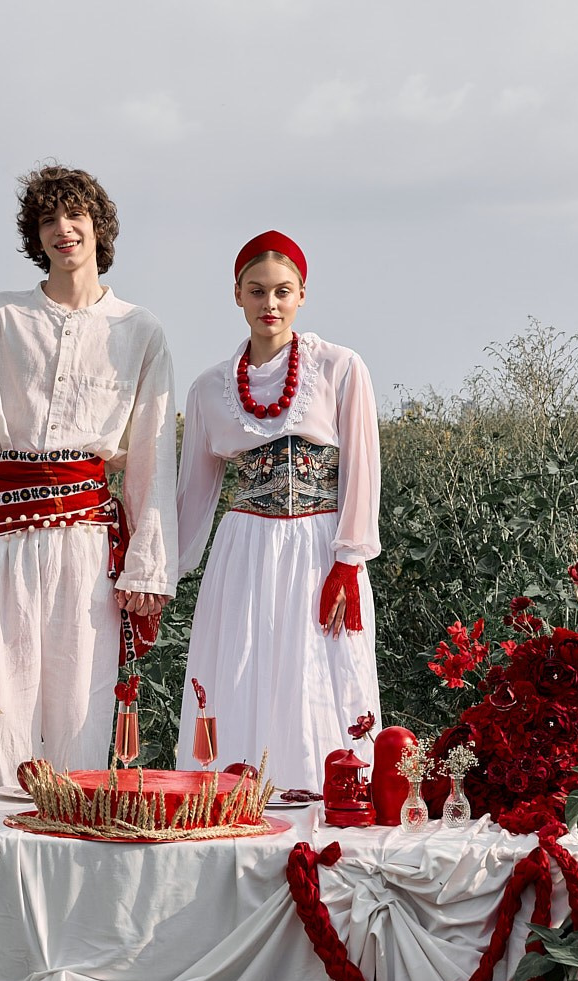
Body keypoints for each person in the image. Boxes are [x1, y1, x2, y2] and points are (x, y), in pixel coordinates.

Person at [0, 166, 177, 786]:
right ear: (35, 235)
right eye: (48, 219)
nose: (63, 229)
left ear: (99, 226)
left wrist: (147, 566)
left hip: (87, 545)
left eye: (75, 215)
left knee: (82, 716)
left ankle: (75, 836)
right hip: (5, 540)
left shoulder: (139, 330)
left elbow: (150, 458)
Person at [173, 231, 381, 789]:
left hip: (319, 549)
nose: (270, 303)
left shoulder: (340, 367)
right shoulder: (209, 388)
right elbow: (194, 495)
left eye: (283, 291)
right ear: (237, 294)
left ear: (302, 295)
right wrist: (157, 575)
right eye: (257, 290)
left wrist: (348, 561)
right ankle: (231, 804)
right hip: (243, 553)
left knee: (317, 675)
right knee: (241, 671)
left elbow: (362, 470)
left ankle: (325, 804)